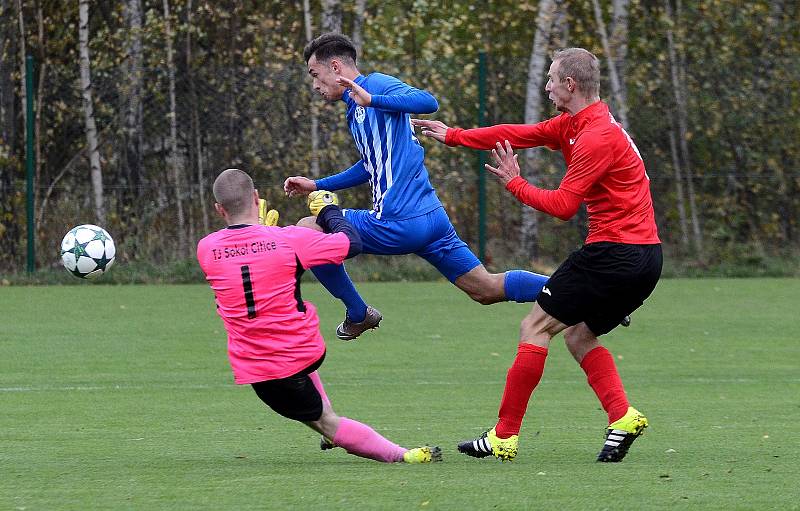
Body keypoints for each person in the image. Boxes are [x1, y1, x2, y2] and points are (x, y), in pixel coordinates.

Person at [413, 47, 661, 462]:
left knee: (535, 327)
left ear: (570, 85)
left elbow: (564, 207)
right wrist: (454, 135)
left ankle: (504, 437)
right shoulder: (576, 124)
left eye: (550, 79)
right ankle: (622, 416)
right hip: (644, 258)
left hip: (613, 253)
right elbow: (516, 133)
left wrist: (514, 182)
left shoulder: (596, 136)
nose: (546, 87)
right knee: (580, 335)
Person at [283, 32, 550, 341]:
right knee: (485, 288)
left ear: (335, 67)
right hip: (430, 219)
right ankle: (580, 290)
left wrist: (374, 100)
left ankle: (358, 313)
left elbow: (428, 101)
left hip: (399, 221)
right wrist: (316, 184)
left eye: (315, 75)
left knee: (308, 229)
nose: (315, 85)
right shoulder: (354, 111)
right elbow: (371, 166)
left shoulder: (375, 86)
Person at [197, 168, 441, 464]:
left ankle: (388, 451)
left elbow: (244, 264)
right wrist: (329, 209)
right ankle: (392, 452)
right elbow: (352, 243)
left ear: (219, 209)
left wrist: (261, 231)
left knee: (321, 415)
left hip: (257, 366)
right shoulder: (289, 238)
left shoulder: (206, 248)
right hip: (300, 352)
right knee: (323, 418)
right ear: (256, 197)